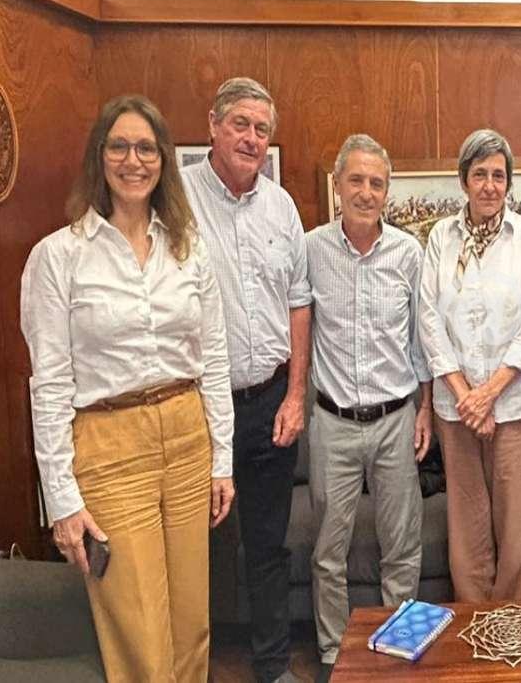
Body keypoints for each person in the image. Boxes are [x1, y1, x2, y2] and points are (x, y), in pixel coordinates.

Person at [21, 94, 235, 682]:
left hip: (187, 438)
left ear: (164, 160)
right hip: (109, 448)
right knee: (139, 633)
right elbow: (49, 386)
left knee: (192, 624)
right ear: (99, 156)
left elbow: (213, 360)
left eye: (147, 148)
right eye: (119, 146)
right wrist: (62, 500)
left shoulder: (187, 247)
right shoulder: (58, 257)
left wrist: (222, 461)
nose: (133, 160)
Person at [182, 76, 311, 683]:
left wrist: (296, 394)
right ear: (213, 125)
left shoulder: (281, 207)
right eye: (240, 124)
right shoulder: (177, 200)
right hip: (197, 409)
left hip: (269, 404)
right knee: (193, 550)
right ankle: (190, 670)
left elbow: (299, 303)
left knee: (267, 546)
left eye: (262, 129)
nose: (252, 138)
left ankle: (272, 667)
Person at [305, 133, 432, 681]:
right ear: (338, 185)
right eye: (355, 180)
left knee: (401, 545)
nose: (365, 191)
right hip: (332, 422)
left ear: (387, 191)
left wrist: (426, 409)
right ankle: (335, 655)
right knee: (327, 551)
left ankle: (398, 649)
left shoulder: (408, 254)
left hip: (395, 419)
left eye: (376, 183)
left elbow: (423, 340)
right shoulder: (310, 250)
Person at [418, 128, 521, 601]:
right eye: (480, 174)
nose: (490, 185)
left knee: (515, 533)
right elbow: (429, 320)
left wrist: (490, 393)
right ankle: (473, 630)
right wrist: (466, 398)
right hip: (457, 413)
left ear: (508, 183)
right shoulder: (441, 237)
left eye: (498, 175)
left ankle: (511, 631)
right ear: (464, 181)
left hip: (517, 407)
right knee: (467, 534)